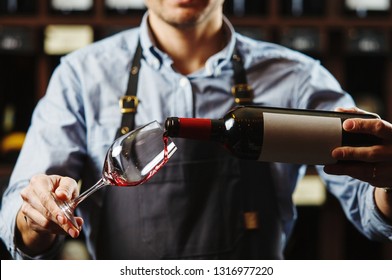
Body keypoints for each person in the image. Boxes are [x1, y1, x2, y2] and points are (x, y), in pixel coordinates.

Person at [1, 0, 391, 260]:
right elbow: (19, 214)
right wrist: (34, 215)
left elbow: (368, 207)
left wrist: (387, 183)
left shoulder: (298, 78)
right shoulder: (81, 75)